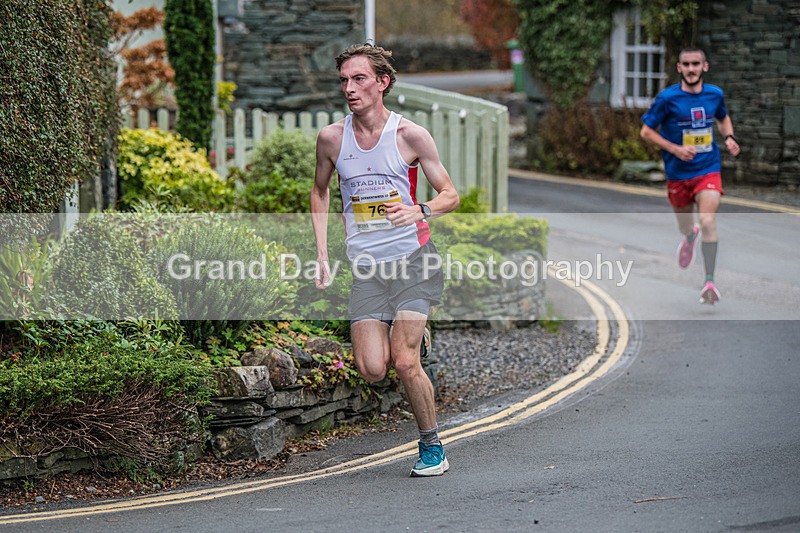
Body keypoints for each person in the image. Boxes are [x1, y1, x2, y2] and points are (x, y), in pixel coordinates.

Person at [311, 43, 459, 476]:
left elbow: (450, 194)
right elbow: (320, 191)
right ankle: (416, 337)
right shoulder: (332, 139)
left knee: (404, 360)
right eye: (344, 81)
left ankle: (432, 447)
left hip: (413, 260)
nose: (349, 89)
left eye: (359, 79)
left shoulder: (409, 136)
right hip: (367, 270)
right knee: (373, 369)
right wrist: (322, 252)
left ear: (382, 83)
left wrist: (421, 209)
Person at [640, 48, 741, 305]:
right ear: (679, 68)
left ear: (704, 66)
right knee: (686, 225)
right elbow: (646, 132)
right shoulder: (667, 99)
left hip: (707, 168)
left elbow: (722, 117)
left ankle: (709, 281)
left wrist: (729, 137)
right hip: (677, 173)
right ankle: (689, 236)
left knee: (708, 221)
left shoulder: (715, 94)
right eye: (686, 64)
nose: (691, 68)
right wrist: (675, 149)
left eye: (696, 64)